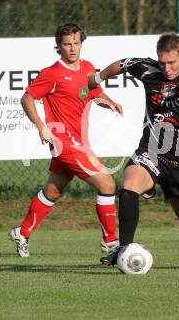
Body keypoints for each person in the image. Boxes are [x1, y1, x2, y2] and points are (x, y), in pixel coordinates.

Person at [89, 32, 179, 269]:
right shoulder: (147, 69)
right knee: (129, 185)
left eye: (172, 62)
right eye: (162, 62)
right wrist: (98, 78)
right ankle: (123, 249)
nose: (167, 68)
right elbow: (122, 64)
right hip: (151, 150)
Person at [9, 23, 122, 257]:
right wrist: (41, 127)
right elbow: (27, 99)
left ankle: (23, 232)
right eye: (67, 44)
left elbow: (93, 93)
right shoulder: (52, 73)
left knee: (52, 192)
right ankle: (110, 243)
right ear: (58, 47)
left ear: (82, 43)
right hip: (64, 142)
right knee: (107, 184)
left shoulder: (88, 67)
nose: (72, 48)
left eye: (76, 43)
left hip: (79, 141)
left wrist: (109, 101)